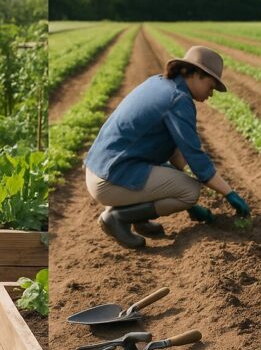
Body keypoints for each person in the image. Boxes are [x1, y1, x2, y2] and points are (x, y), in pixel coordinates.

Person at [84, 45, 250, 248]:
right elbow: (196, 159)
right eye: (211, 86)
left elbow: (176, 154)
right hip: (110, 179)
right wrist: (229, 194)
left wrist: (187, 205)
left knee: (178, 182)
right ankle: (117, 218)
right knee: (191, 191)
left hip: (102, 169)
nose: (211, 94)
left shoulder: (160, 83)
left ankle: (138, 219)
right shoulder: (178, 99)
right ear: (197, 74)